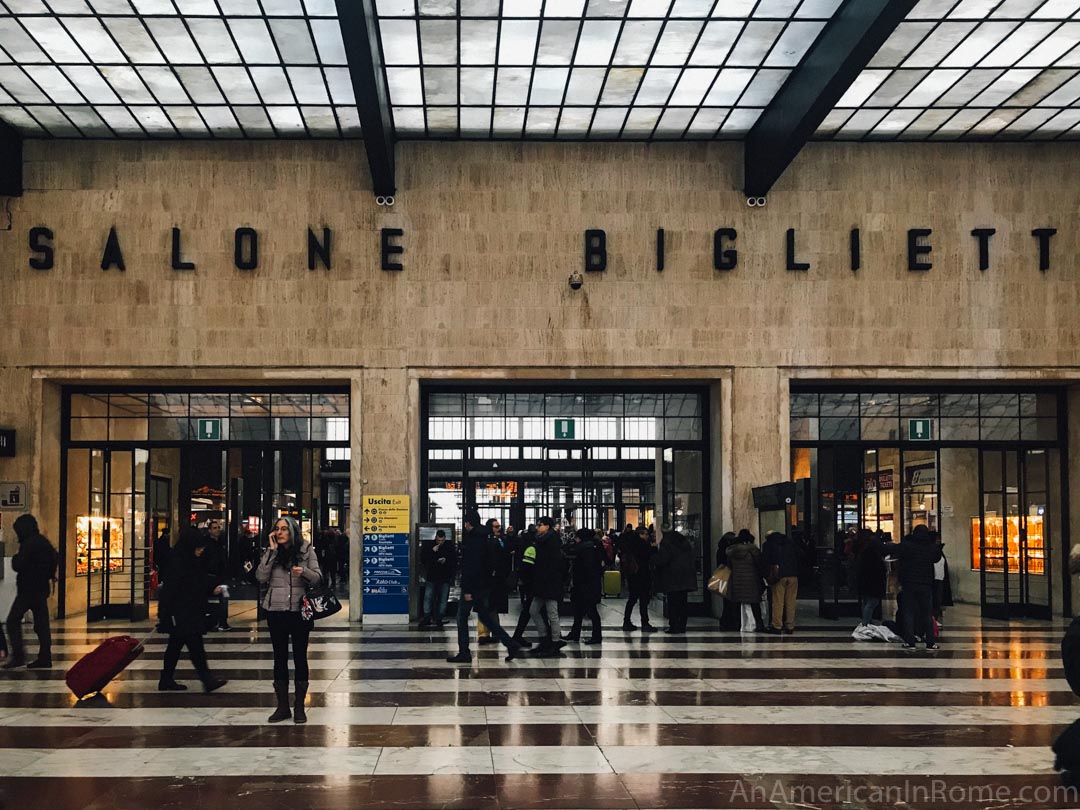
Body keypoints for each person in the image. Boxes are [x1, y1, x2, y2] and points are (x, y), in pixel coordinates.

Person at [256, 515, 322, 723]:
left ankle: (299, 706)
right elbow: (260, 577)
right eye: (277, 529)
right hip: (276, 610)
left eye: (284, 529)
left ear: (292, 531)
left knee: (300, 657)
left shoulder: (306, 550)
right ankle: (282, 706)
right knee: (279, 657)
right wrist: (271, 551)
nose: (280, 532)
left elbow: (319, 577)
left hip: (300, 611)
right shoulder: (271, 553)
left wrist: (304, 572)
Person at [446, 510, 523, 664]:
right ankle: (510, 644)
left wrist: (467, 590)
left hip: (473, 586)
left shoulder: (474, 539)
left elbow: (471, 566)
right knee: (486, 617)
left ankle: (464, 653)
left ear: (468, 523)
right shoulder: (488, 537)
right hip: (484, 585)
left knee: (461, 618)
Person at [157, 528, 229, 693]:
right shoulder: (179, 562)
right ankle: (206, 680)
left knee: (175, 646)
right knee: (195, 646)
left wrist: (210, 589)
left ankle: (166, 678)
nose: (201, 550)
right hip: (182, 613)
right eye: (198, 547)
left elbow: (196, 582)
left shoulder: (186, 559)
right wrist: (167, 614)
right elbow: (177, 588)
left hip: (186, 612)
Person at [2, 514, 57, 670]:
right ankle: (45, 656)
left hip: (28, 590)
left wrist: (15, 559)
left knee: (13, 620)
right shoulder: (42, 542)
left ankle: (18, 656)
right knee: (42, 624)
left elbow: (18, 564)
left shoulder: (29, 544)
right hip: (41, 588)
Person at [889, 524, 942, 651]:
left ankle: (910, 641)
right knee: (927, 613)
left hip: (909, 583)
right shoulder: (930, 547)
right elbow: (937, 558)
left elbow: (894, 551)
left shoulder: (907, 546)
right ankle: (930, 642)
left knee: (908, 612)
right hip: (925, 583)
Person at [522, 515, 565, 656]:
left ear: (547, 526)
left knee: (552, 613)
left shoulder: (552, 541)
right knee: (533, 610)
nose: (537, 527)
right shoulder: (541, 541)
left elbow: (552, 564)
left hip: (550, 583)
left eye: (540, 525)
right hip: (541, 583)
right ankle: (545, 638)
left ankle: (554, 641)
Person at [565, 528, 604, 645]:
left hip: (585, 585)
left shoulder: (585, 549)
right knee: (580, 610)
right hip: (590, 584)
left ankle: (595, 636)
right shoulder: (593, 547)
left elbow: (586, 568)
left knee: (590, 611)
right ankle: (575, 633)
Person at [654, 529, 696, 634]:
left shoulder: (666, 543)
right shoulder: (685, 543)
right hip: (685, 577)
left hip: (672, 577)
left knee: (673, 603)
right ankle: (682, 626)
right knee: (683, 603)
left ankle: (674, 626)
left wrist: (654, 559)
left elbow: (663, 559)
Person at [478, 518, 513, 645]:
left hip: (498, 578)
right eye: (496, 527)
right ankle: (484, 633)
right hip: (489, 578)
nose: (499, 529)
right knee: (486, 605)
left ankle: (493, 631)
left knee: (492, 607)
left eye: (499, 526)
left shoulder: (502, 540)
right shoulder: (486, 541)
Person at [620, 525, 658, 631]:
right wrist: (653, 547)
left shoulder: (630, 543)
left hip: (633, 575)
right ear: (641, 534)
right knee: (643, 600)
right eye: (646, 534)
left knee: (632, 599)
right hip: (642, 575)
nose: (647, 536)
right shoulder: (642, 545)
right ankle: (644, 623)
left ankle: (626, 621)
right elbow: (648, 556)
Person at [726, 529, 764, 633]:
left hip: (737, 580)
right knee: (754, 604)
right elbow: (759, 565)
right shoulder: (754, 550)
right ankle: (759, 624)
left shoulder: (732, 551)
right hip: (752, 581)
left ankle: (737, 625)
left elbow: (729, 566)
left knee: (736, 604)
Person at [761, 531, 800, 634]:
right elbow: (800, 555)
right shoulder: (790, 543)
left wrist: (766, 575)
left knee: (778, 601)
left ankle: (777, 626)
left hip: (779, 575)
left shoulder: (768, 544)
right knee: (790, 602)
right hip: (793, 574)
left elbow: (765, 560)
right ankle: (790, 625)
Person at [420, 529, 456, 628]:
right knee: (428, 597)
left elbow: (454, 560)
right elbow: (423, 559)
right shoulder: (430, 546)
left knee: (443, 599)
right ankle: (427, 616)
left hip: (444, 576)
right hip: (432, 576)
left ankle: (439, 617)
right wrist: (432, 552)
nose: (440, 543)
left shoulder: (449, 547)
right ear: (435, 538)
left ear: (445, 539)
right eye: (439, 540)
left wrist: (446, 560)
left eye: (442, 541)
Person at [203, 519, 231, 631]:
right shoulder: (206, 544)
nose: (217, 530)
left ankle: (222, 621)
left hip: (220, 576)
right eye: (215, 528)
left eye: (218, 528)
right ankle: (213, 621)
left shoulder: (221, 543)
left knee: (224, 597)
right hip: (210, 577)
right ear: (209, 530)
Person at [855, 529, 886, 625]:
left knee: (867, 601)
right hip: (873, 580)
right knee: (872, 602)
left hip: (865, 580)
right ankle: (866, 622)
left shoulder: (863, 551)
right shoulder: (872, 552)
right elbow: (877, 567)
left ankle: (867, 620)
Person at [715, 531, 741, 630]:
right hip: (731, 577)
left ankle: (725, 621)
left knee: (726, 602)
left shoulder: (720, 550)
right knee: (732, 601)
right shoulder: (730, 551)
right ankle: (732, 621)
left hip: (724, 578)